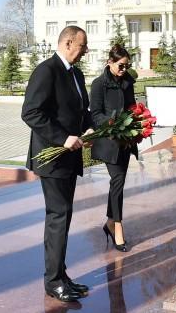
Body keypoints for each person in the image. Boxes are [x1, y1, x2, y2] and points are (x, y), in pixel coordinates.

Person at [21, 25, 94, 303]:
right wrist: (63, 138)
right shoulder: (46, 70)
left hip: (69, 157)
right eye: (82, 46)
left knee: (63, 216)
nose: (85, 52)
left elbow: (81, 110)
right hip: (51, 157)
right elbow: (30, 112)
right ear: (67, 43)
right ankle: (53, 281)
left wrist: (92, 128)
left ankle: (61, 275)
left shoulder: (75, 73)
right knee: (58, 216)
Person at [90, 45, 137, 252]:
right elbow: (95, 114)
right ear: (110, 62)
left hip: (125, 141)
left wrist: (138, 125)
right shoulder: (99, 84)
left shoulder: (128, 82)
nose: (123, 69)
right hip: (109, 141)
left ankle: (110, 221)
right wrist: (112, 123)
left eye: (127, 66)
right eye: (120, 65)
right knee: (117, 181)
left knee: (118, 183)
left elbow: (133, 107)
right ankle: (117, 225)